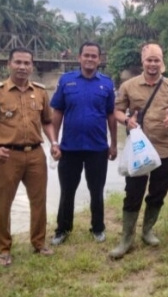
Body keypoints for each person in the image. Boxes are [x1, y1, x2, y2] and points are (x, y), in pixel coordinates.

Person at [0, 47, 57, 267]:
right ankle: (3, 249)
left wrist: (54, 143)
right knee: (4, 203)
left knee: (39, 201)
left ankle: (39, 243)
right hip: (6, 156)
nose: (22, 67)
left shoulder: (40, 92)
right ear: (9, 64)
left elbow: (47, 122)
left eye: (27, 63)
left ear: (32, 66)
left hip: (35, 155)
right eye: (18, 62)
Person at [110, 43, 168, 259]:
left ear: (162, 62)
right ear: (142, 62)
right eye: (149, 60)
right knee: (133, 193)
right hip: (138, 151)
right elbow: (116, 110)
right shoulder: (129, 86)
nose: (153, 64)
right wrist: (126, 120)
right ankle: (126, 238)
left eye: (157, 60)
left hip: (165, 150)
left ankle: (148, 230)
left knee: (158, 192)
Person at [49, 42, 117, 246]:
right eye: (86, 55)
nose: (90, 59)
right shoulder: (66, 81)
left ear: (99, 59)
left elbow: (111, 115)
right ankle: (62, 229)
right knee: (67, 190)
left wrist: (113, 144)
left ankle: (98, 228)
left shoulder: (106, 84)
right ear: (79, 58)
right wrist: (54, 142)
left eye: (94, 56)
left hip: (97, 148)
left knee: (97, 190)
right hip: (70, 148)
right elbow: (57, 112)